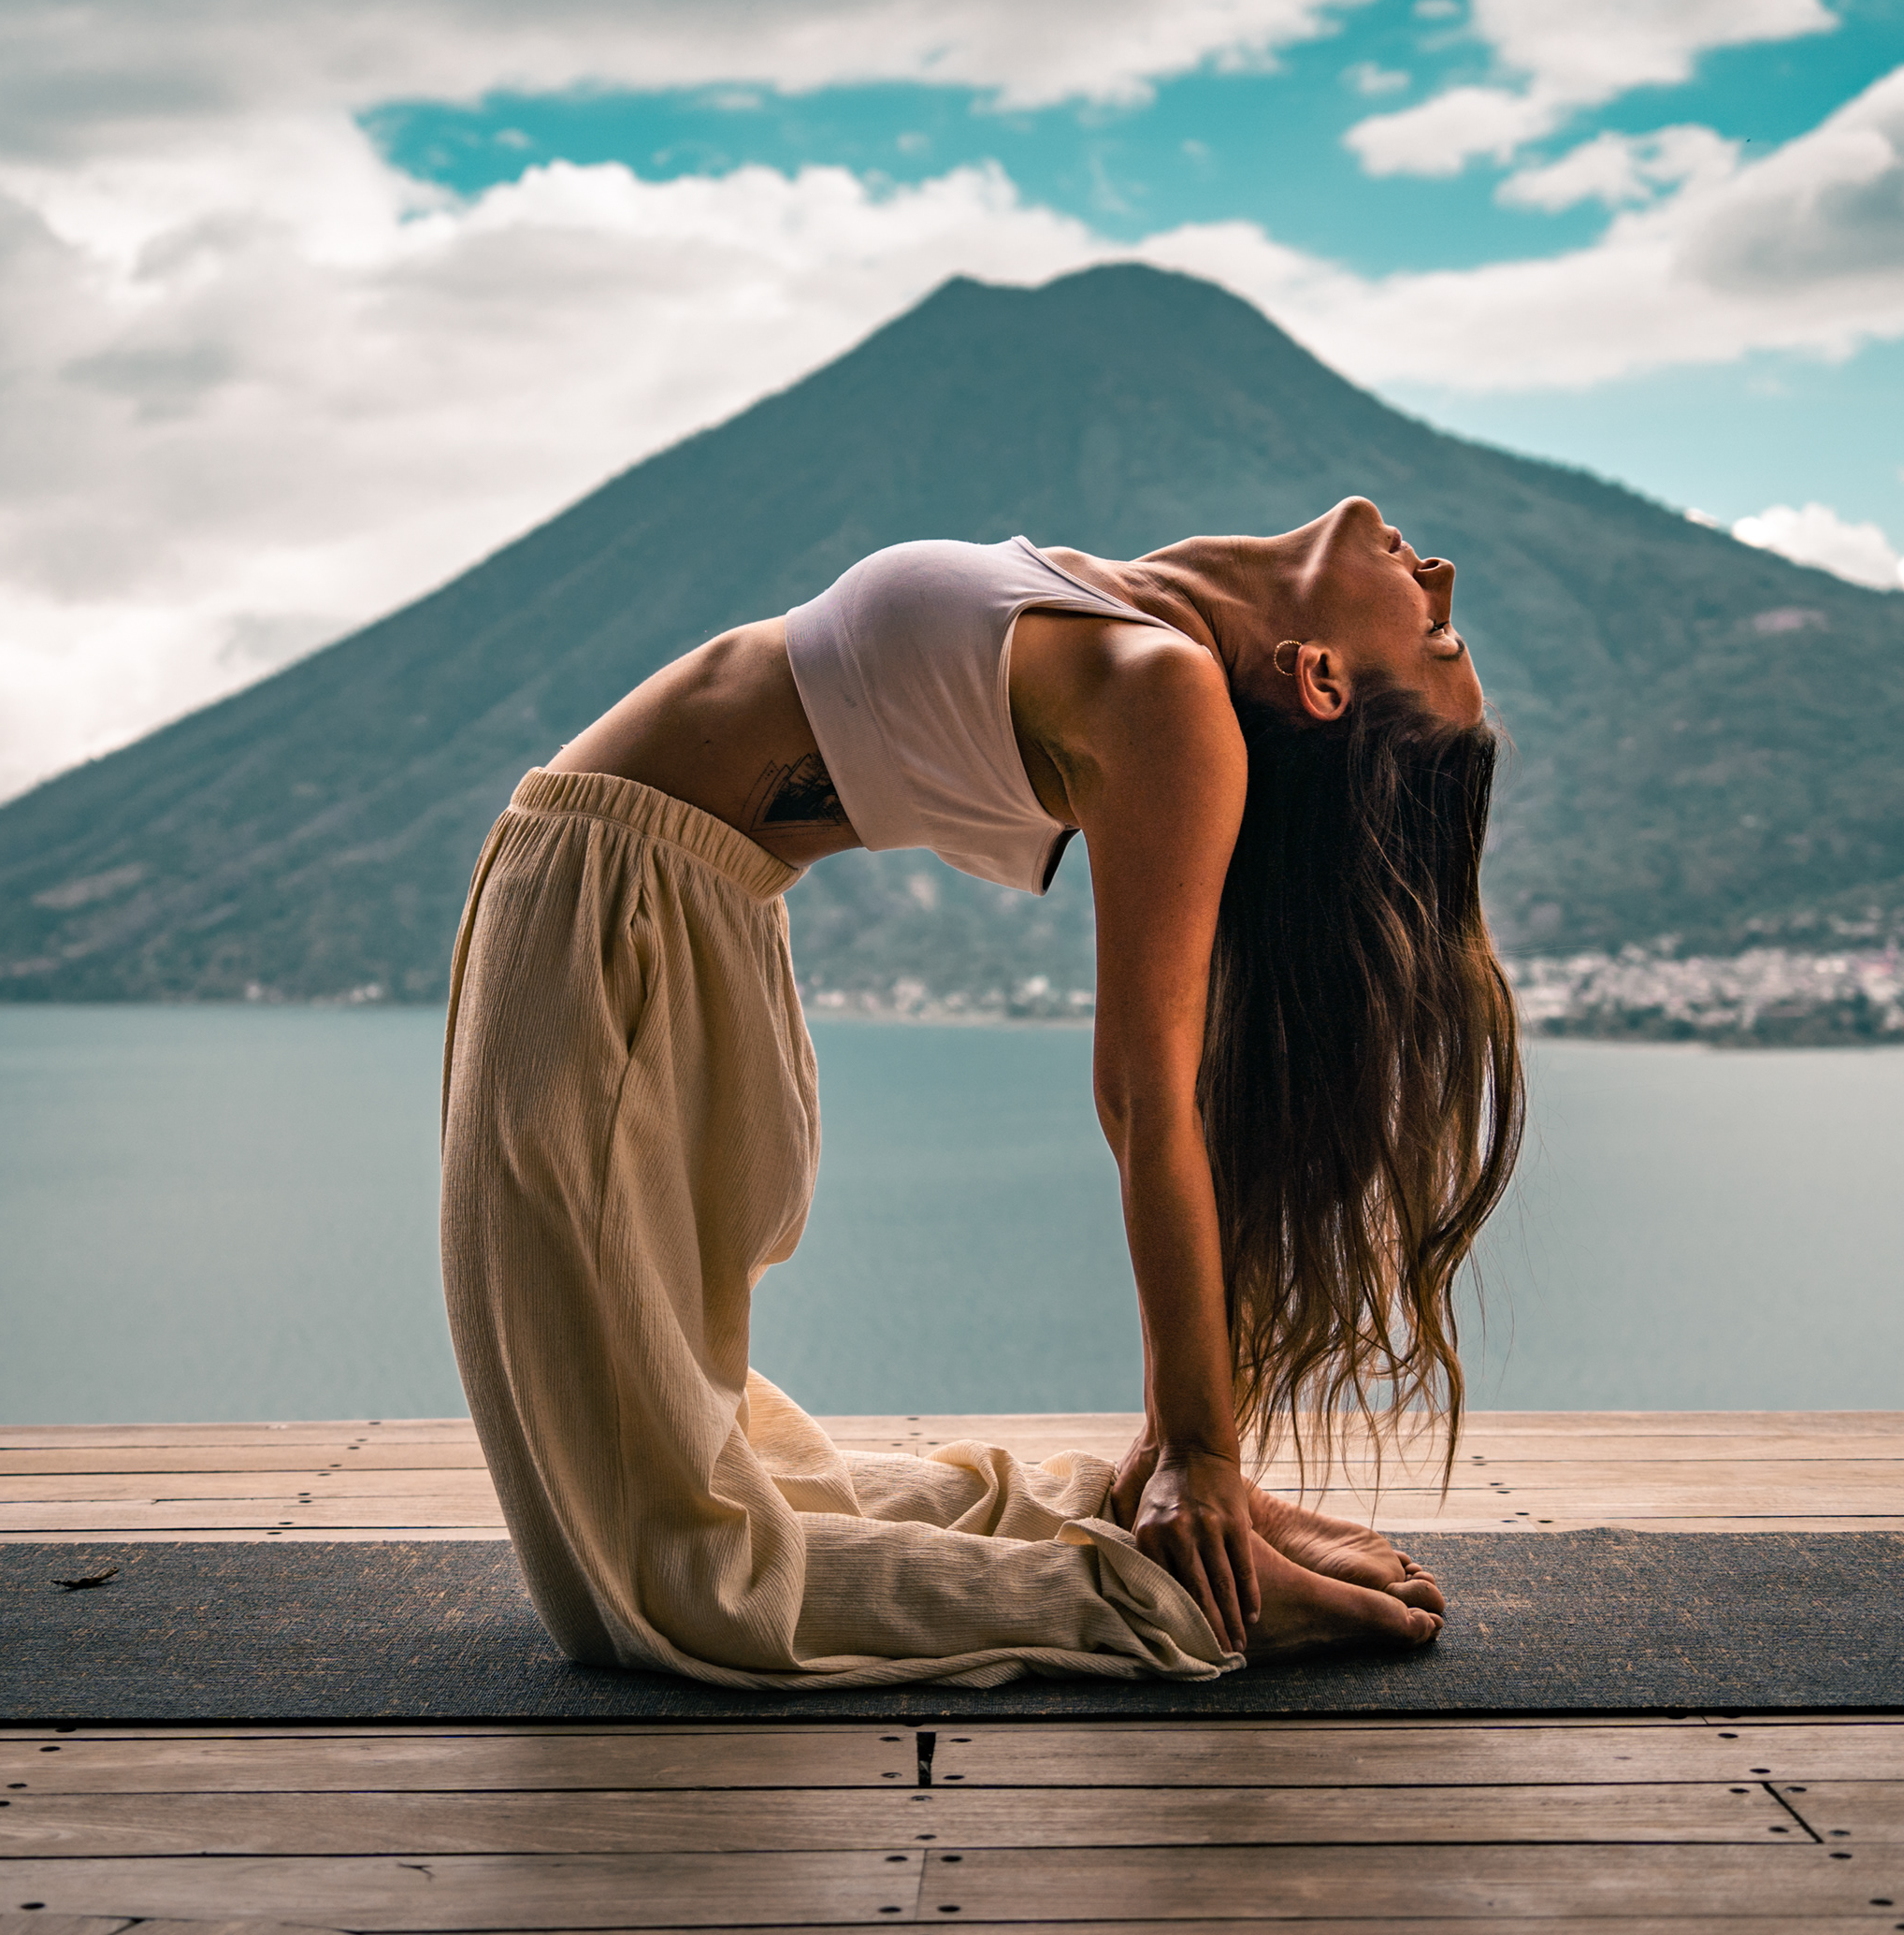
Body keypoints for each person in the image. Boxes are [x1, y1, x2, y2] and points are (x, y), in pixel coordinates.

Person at [438, 496, 1524, 1689]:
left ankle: (1174, 1587)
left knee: (655, 1580)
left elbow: (1151, 1101)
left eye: (1438, 639)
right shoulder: (1137, 623)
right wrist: (1180, 1444)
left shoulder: (1166, 694)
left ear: (1319, 679)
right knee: (695, 1465)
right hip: (670, 917)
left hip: (613, 920)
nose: (1440, 578)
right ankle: (1133, 1509)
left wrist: (1205, 1449)